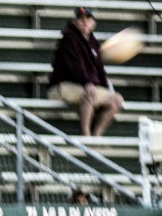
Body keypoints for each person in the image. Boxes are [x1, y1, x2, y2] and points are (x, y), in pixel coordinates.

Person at [47, 7, 125, 137]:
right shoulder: (69, 38)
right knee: (90, 92)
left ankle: (97, 135)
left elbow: (100, 69)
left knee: (117, 100)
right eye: (81, 19)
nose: (85, 22)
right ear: (75, 21)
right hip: (62, 86)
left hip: (84, 85)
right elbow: (75, 67)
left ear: (93, 23)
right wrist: (87, 82)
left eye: (88, 19)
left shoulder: (94, 43)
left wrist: (105, 87)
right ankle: (86, 137)